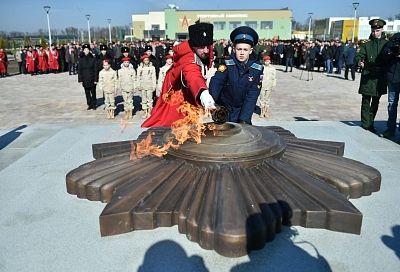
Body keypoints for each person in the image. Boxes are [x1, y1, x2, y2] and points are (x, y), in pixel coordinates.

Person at [141, 21, 216, 127]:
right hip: (178, 102)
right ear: (194, 46)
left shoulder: (204, 51)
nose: (206, 50)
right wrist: (204, 94)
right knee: (174, 129)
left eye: (208, 46)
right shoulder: (188, 59)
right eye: (202, 47)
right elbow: (192, 75)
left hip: (190, 97)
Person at [209, 26, 263, 125]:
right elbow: (216, 83)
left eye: (245, 50)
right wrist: (214, 105)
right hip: (224, 109)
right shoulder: (227, 64)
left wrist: (244, 119)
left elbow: (252, 95)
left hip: (242, 110)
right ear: (234, 49)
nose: (242, 53)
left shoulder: (257, 69)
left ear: (251, 50)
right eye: (239, 49)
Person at [355, 19, 388, 132]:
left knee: (375, 102)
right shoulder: (366, 44)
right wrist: (359, 61)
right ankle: (365, 124)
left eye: (377, 30)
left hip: (379, 78)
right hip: (367, 77)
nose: (375, 33)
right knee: (365, 101)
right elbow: (359, 56)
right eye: (373, 30)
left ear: (382, 30)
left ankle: (371, 122)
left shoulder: (386, 44)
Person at [380, 32, 400, 138]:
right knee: (392, 104)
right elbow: (384, 54)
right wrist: (391, 53)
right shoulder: (394, 38)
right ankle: (390, 129)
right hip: (393, 77)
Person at [78, 44, 98, 110]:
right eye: (85, 50)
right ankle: (89, 104)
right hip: (84, 78)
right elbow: (79, 70)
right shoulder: (81, 59)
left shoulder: (93, 58)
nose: (86, 51)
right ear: (83, 51)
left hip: (92, 78)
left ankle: (94, 104)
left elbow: (95, 70)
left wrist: (96, 79)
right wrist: (80, 79)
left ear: (89, 50)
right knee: (87, 92)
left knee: (93, 92)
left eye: (87, 50)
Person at [137, 54, 157, 119]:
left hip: (150, 85)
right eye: (145, 60)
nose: (146, 61)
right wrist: (138, 85)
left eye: (147, 60)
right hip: (143, 85)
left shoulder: (152, 68)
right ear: (143, 61)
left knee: (150, 99)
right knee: (144, 99)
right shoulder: (140, 68)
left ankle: (149, 112)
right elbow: (138, 77)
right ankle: (145, 112)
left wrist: (154, 86)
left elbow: (154, 77)